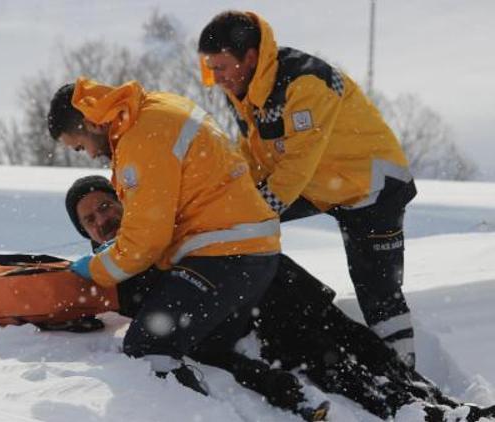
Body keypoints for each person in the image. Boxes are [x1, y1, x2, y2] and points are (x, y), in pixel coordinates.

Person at [63, 175, 495, 422]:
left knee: (360, 342)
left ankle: (448, 404)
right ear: (85, 233)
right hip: (251, 316)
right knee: (331, 362)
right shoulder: (114, 269)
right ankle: (414, 413)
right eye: (90, 219)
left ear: (122, 201)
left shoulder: (164, 219)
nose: (102, 219)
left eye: (105, 206)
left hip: (281, 286)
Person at [197, 11, 418, 367]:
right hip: (321, 186)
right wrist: (228, 198)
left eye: (220, 67)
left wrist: (255, 209)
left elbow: (297, 164)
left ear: (250, 57)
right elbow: (251, 152)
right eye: (210, 70)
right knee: (237, 225)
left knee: (378, 291)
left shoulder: (304, 83)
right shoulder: (243, 88)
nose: (216, 79)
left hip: (372, 186)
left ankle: (405, 373)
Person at [48, 77, 283, 400]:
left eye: (79, 145)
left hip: (223, 253)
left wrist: (97, 269)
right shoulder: (156, 108)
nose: (87, 154)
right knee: (206, 347)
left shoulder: (140, 138)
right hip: (252, 250)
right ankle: (288, 398)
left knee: (148, 347)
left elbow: (147, 239)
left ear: (90, 122)